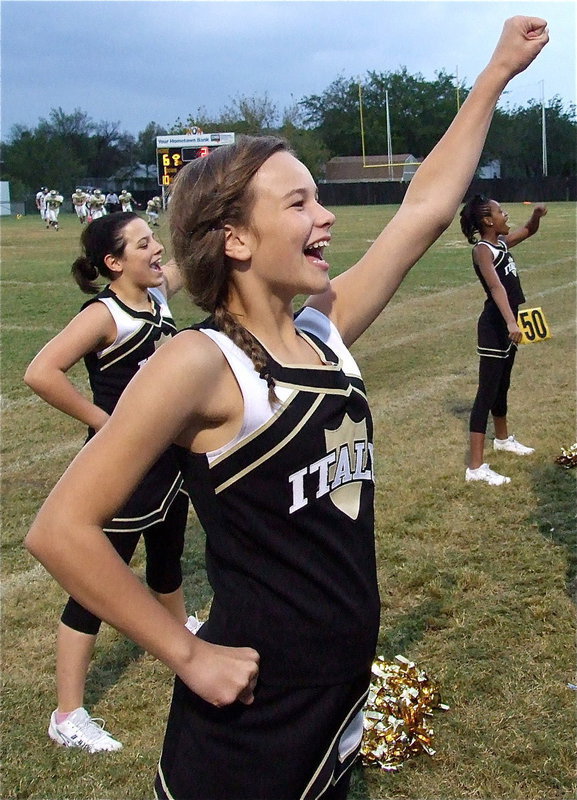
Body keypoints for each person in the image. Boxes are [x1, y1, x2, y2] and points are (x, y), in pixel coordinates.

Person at [25, 16, 548, 798]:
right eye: (298, 202)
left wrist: (493, 76)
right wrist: (188, 653)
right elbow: (59, 530)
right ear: (233, 237)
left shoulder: (323, 333)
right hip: (251, 722)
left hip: (335, 694)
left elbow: (421, 213)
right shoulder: (200, 362)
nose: (325, 216)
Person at [24, 212, 196, 753]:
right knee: (94, 589)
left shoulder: (158, 295)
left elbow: (188, 264)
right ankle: (67, 714)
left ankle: (181, 650)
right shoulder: (106, 314)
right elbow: (41, 371)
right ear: (113, 262)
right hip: (121, 469)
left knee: (167, 565)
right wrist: (106, 423)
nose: (157, 249)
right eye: (144, 243)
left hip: (168, 464)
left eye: (155, 239)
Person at [461, 195, 547, 485]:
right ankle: (475, 468)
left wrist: (536, 215)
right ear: (488, 221)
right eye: (500, 212)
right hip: (495, 327)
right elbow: (496, 288)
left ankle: (502, 439)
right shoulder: (483, 250)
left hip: (508, 326)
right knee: (486, 393)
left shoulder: (500, 244)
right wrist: (511, 321)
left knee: (503, 386)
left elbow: (529, 230)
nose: (505, 214)